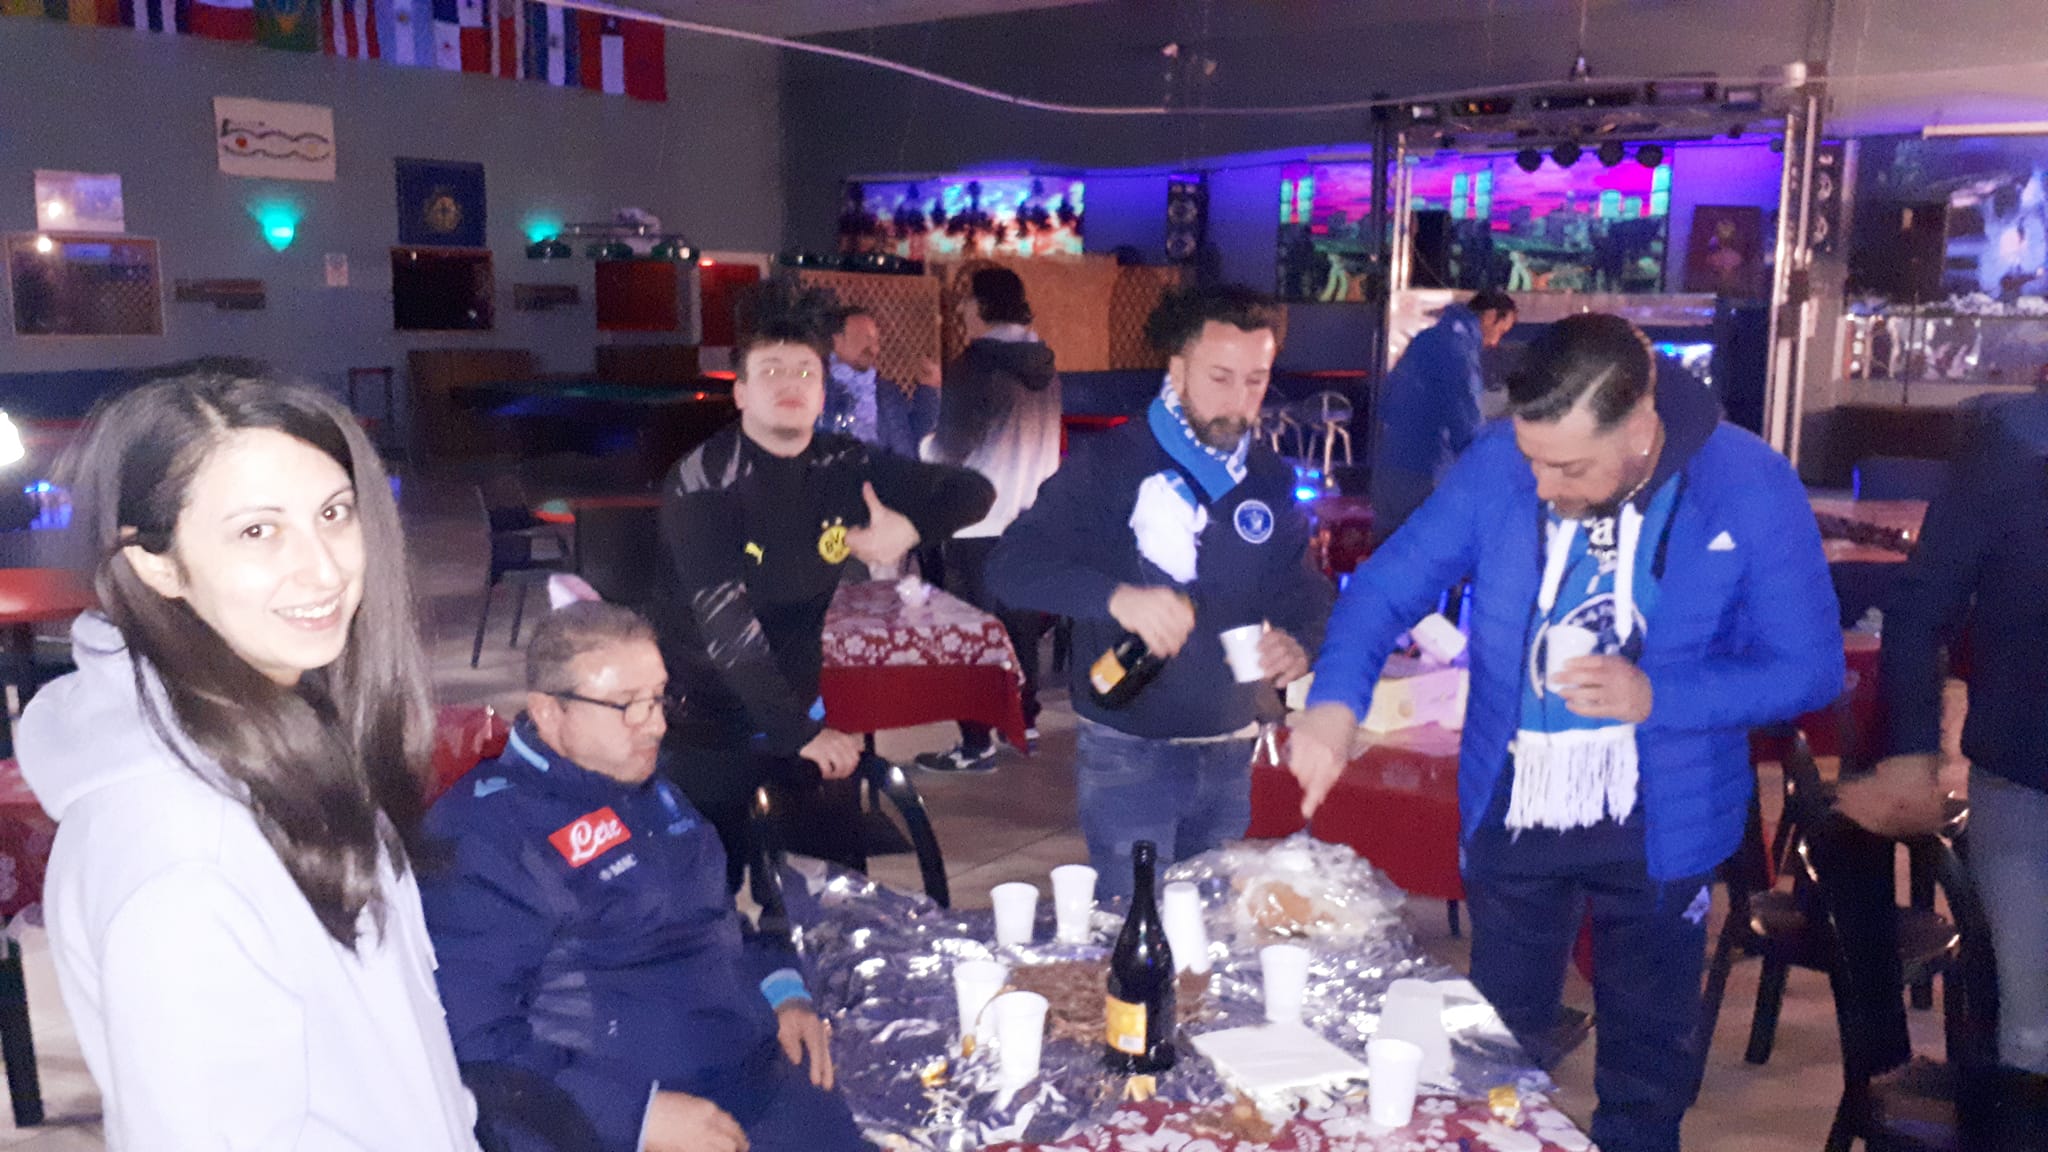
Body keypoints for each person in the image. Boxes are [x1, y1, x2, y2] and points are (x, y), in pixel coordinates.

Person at [1288, 315, 1843, 1152]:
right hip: (1516, 804)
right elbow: (1384, 589)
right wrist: (1334, 703)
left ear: (1641, 426)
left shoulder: (1747, 483)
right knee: (1493, 1055)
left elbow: (1810, 668)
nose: (1543, 488)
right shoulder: (1502, 464)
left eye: (1570, 468)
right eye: (1534, 460)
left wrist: (1657, 694)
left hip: (1664, 817)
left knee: (1646, 1076)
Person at [16, 376, 480, 1149]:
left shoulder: (284, 739)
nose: (324, 569)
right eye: (258, 531)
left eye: (333, 514)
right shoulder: (186, 853)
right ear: (157, 563)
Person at [420, 602, 870, 1152]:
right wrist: (637, 1119)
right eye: (627, 705)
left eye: (658, 699)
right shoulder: (487, 836)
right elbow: (475, 1044)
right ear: (549, 712)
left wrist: (783, 990)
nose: (655, 725)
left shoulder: (652, 790)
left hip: (749, 1068)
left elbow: (714, 917)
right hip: (619, 1115)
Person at [649, 281, 994, 893]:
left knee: (833, 892)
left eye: (805, 371)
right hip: (703, 716)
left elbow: (973, 491)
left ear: (823, 388)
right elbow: (730, 633)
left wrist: (910, 529)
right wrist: (800, 734)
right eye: (771, 370)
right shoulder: (705, 481)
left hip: (803, 703)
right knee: (706, 898)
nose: (790, 382)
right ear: (741, 391)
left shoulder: (842, 462)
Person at [989, 285, 1333, 896]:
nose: (1238, 401)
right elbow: (1011, 565)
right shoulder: (1111, 464)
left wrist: (1300, 640)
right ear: (1177, 370)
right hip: (1129, 750)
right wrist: (1117, 599)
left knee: (1210, 929)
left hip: (1231, 744)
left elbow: (1301, 589)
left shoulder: (1266, 476)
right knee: (1137, 925)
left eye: (1255, 381)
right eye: (1220, 378)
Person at [1863, 391, 2048, 1075]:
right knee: (2034, 1035)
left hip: (2019, 769)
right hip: (2026, 781)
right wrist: (1913, 753)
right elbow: (1918, 612)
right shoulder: (2010, 450)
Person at [917, 266, 1062, 772]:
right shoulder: (1044, 366)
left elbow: (949, 451)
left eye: (965, 301)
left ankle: (975, 741)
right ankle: (1024, 721)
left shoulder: (975, 366)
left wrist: (922, 446)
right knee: (1019, 626)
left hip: (975, 520)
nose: (960, 311)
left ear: (981, 306)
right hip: (1030, 516)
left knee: (972, 632)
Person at [1370, 289, 1517, 545]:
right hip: (1425, 472)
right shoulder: (1458, 349)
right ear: (1490, 316)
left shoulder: (1426, 339)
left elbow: (1387, 400)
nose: (1494, 343)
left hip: (1389, 467)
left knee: (1386, 552)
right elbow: (1466, 420)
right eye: (1501, 331)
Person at [819, 306, 942, 460]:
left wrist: (928, 390)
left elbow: (915, 441)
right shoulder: (821, 392)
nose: (874, 348)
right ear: (837, 341)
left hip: (896, 473)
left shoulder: (887, 391)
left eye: (876, 340)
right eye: (866, 339)